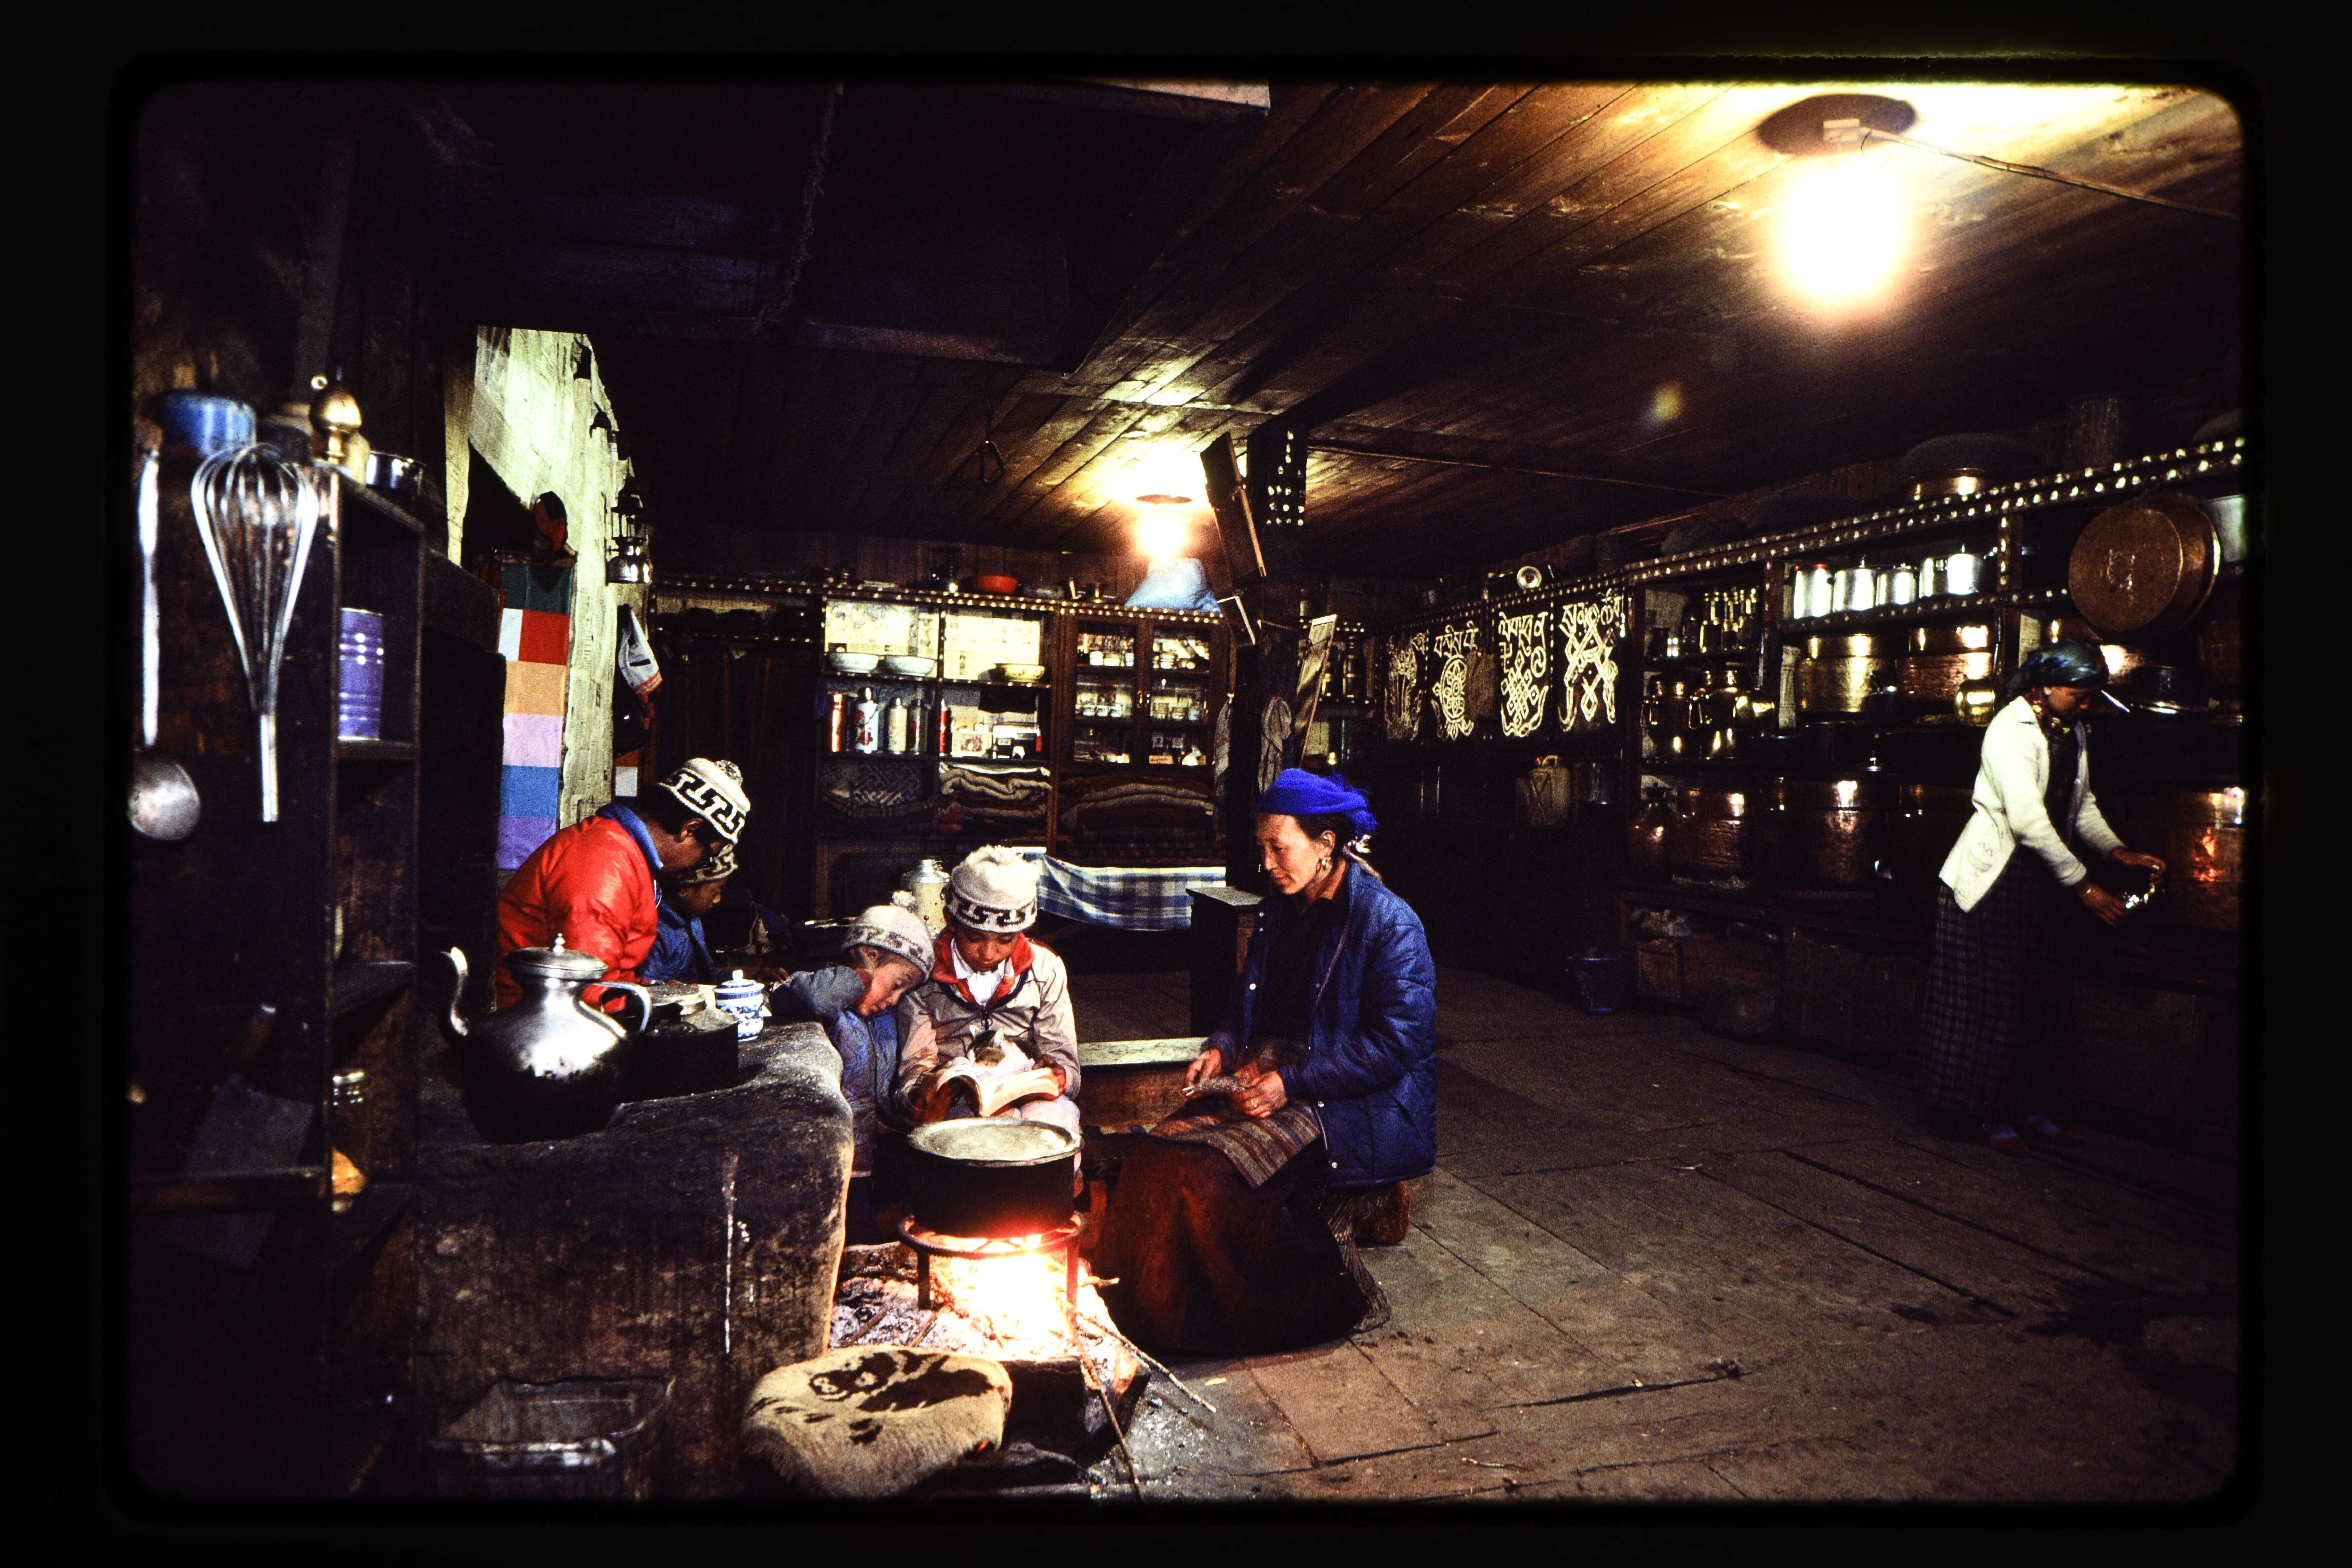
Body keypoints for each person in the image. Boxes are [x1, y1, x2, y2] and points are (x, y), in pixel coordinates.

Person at [1091, 770, 1436, 1355]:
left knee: (1204, 1180)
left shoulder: (1388, 921)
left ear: (1326, 845)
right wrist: (1223, 1046)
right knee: (1156, 1154)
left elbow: (1395, 1044)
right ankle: (1137, 1313)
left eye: (1280, 847)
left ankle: (1329, 1300)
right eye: (1263, 848)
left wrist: (1290, 1082)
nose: (1268, 863)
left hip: (1346, 1099)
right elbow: (1244, 999)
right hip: (1275, 1071)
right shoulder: (1280, 909)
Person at [1916, 641, 2167, 1155]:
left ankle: (2028, 1109)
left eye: (2093, 696)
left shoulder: (2071, 729)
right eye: (2079, 695)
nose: (2087, 705)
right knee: (1990, 1005)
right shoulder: (2010, 730)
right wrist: (2086, 887)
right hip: (1994, 884)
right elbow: (2028, 822)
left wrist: (2116, 850)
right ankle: (1985, 1113)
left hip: (2041, 882)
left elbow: (2082, 802)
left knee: (2038, 1000)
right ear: (2046, 685)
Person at [493, 757, 750, 1007]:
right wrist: (655, 1004)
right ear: (689, 829)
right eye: (707, 856)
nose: (698, 865)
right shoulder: (604, 863)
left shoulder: (621, 851)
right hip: (535, 1021)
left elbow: (608, 978)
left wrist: (658, 991)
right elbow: (588, 991)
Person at [895, 847, 1084, 1145]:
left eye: (1005, 940)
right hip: (958, 1105)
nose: (988, 953)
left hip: (1028, 1096)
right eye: (974, 938)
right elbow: (915, 1066)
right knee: (978, 1142)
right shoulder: (924, 976)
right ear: (951, 920)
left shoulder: (1045, 968)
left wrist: (1060, 1075)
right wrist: (923, 1094)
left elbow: (1067, 1064)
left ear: (1022, 931)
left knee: (1055, 1124)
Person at [770, 903, 934, 1243]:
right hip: (829, 1156)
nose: (895, 999)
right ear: (870, 957)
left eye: (904, 991)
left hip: (872, 1156)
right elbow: (809, 997)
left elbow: (885, 1088)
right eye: (896, 984)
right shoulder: (831, 1008)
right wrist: (860, 975)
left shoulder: (889, 1019)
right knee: (842, 1235)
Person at [642, 842, 733, 985]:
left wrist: (749, 979)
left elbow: (708, 977)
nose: (718, 899)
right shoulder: (655, 931)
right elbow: (643, 988)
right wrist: (669, 989)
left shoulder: (694, 922)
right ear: (684, 889)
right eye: (716, 892)